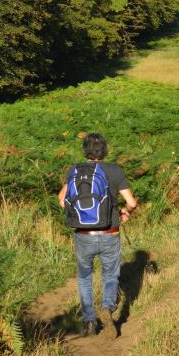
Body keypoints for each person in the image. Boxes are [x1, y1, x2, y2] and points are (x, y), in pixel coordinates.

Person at [58, 133, 138, 338]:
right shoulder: (114, 170)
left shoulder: (75, 170)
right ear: (105, 150)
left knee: (85, 277)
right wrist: (126, 212)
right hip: (109, 233)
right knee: (110, 275)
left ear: (85, 150)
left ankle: (89, 321)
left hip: (83, 234)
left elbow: (61, 200)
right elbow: (131, 202)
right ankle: (107, 309)